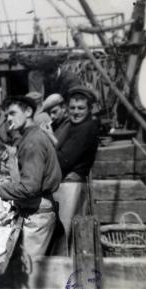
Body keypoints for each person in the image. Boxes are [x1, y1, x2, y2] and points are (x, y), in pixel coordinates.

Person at [0, 95, 62, 258]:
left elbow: (29, 188)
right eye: (7, 116)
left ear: (28, 112)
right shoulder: (30, 136)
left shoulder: (32, 141)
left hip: (38, 213)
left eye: (13, 113)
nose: (9, 119)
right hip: (38, 206)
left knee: (30, 270)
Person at [53, 86, 100, 253]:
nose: (76, 112)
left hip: (71, 187)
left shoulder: (86, 128)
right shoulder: (73, 126)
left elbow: (64, 160)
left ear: (89, 109)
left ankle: (64, 270)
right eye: (72, 108)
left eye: (81, 108)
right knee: (70, 233)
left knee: (65, 233)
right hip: (70, 186)